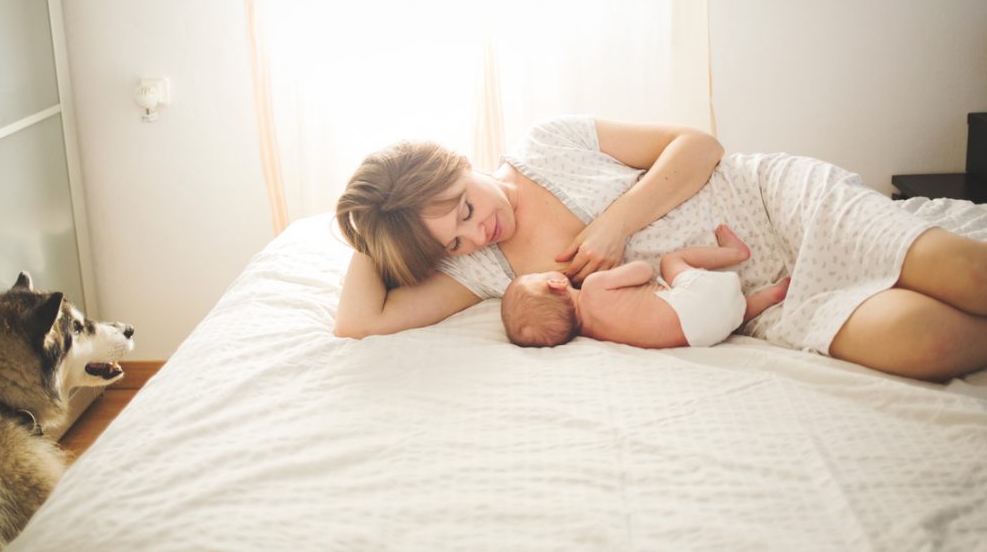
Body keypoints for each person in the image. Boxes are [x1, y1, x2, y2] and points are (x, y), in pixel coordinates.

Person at [335, 115, 987, 382]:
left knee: (969, 274)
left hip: (771, 201)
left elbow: (701, 146)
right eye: (454, 238)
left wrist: (617, 222)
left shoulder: (548, 143)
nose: (479, 232)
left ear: (458, 161)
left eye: (466, 207)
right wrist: (377, 225)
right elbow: (360, 322)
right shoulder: (483, 265)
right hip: (759, 300)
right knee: (926, 344)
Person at [502, 225, 790, 349]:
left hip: (706, 335)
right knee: (670, 260)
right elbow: (644, 270)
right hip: (698, 299)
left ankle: (769, 296)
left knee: (726, 315)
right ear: (555, 283)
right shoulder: (592, 287)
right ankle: (735, 254)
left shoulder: (595, 335)